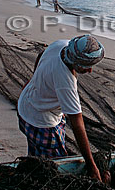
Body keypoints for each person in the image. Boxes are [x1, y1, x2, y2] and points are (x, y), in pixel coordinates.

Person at [17, 35, 108, 182]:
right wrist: (92, 166)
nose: (90, 70)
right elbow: (77, 124)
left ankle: (30, 171)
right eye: (86, 66)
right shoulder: (66, 81)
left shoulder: (61, 45)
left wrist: (35, 79)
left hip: (25, 108)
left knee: (35, 155)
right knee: (54, 170)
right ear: (76, 64)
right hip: (42, 124)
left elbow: (41, 55)